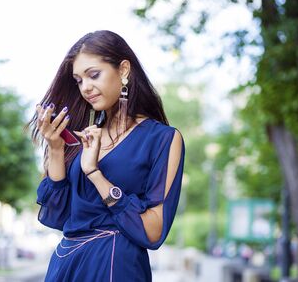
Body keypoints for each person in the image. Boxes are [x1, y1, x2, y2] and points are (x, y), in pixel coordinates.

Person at [28, 30, 185, 282]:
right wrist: (56, 149)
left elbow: (154, 232)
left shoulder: (162, 139)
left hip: (114, 264)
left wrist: (95, 173)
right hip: (66, 263)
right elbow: (58, 216)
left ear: (123, 70)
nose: (85, 88)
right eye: (78, 80)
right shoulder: (84, 137)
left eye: (93, 75)